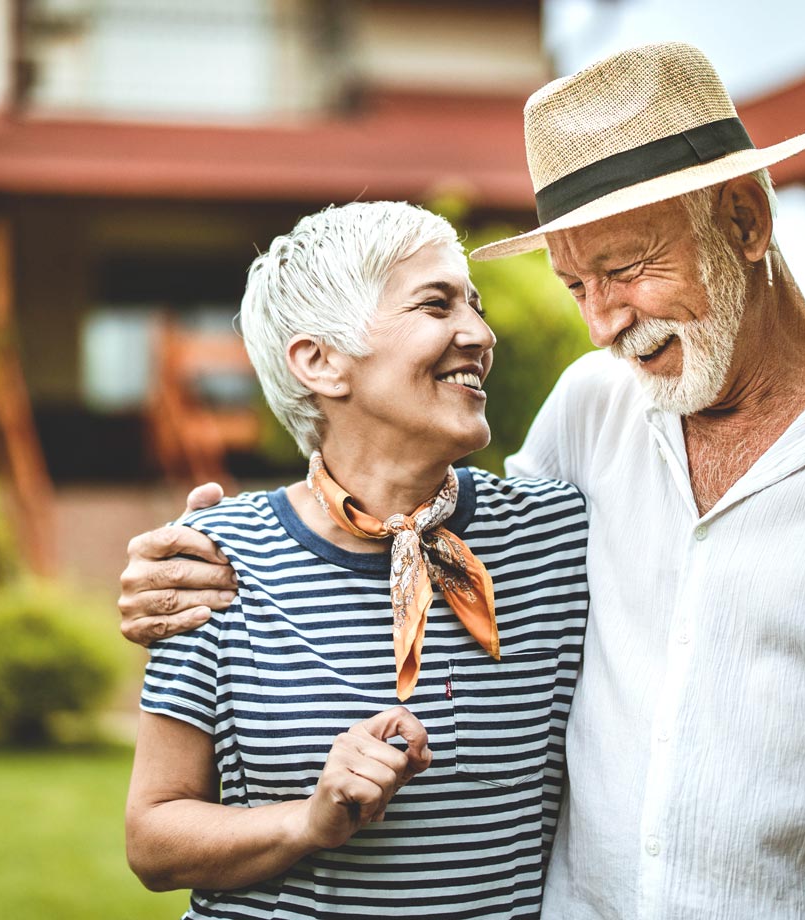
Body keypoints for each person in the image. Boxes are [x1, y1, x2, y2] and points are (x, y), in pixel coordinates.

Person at [118, 42, 805, 919]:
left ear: (748, 223)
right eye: (576, 283)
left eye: (626, 268)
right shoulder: (593, 409)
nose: (604, 320)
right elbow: (429, 536)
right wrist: (193, 565)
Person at [124, 200, 592, 919]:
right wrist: (307, 821)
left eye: (474, 304)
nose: (480, 333)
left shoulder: (558, 537)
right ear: (322, 362)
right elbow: (154, 838)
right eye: (436, 306)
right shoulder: (216, 557)